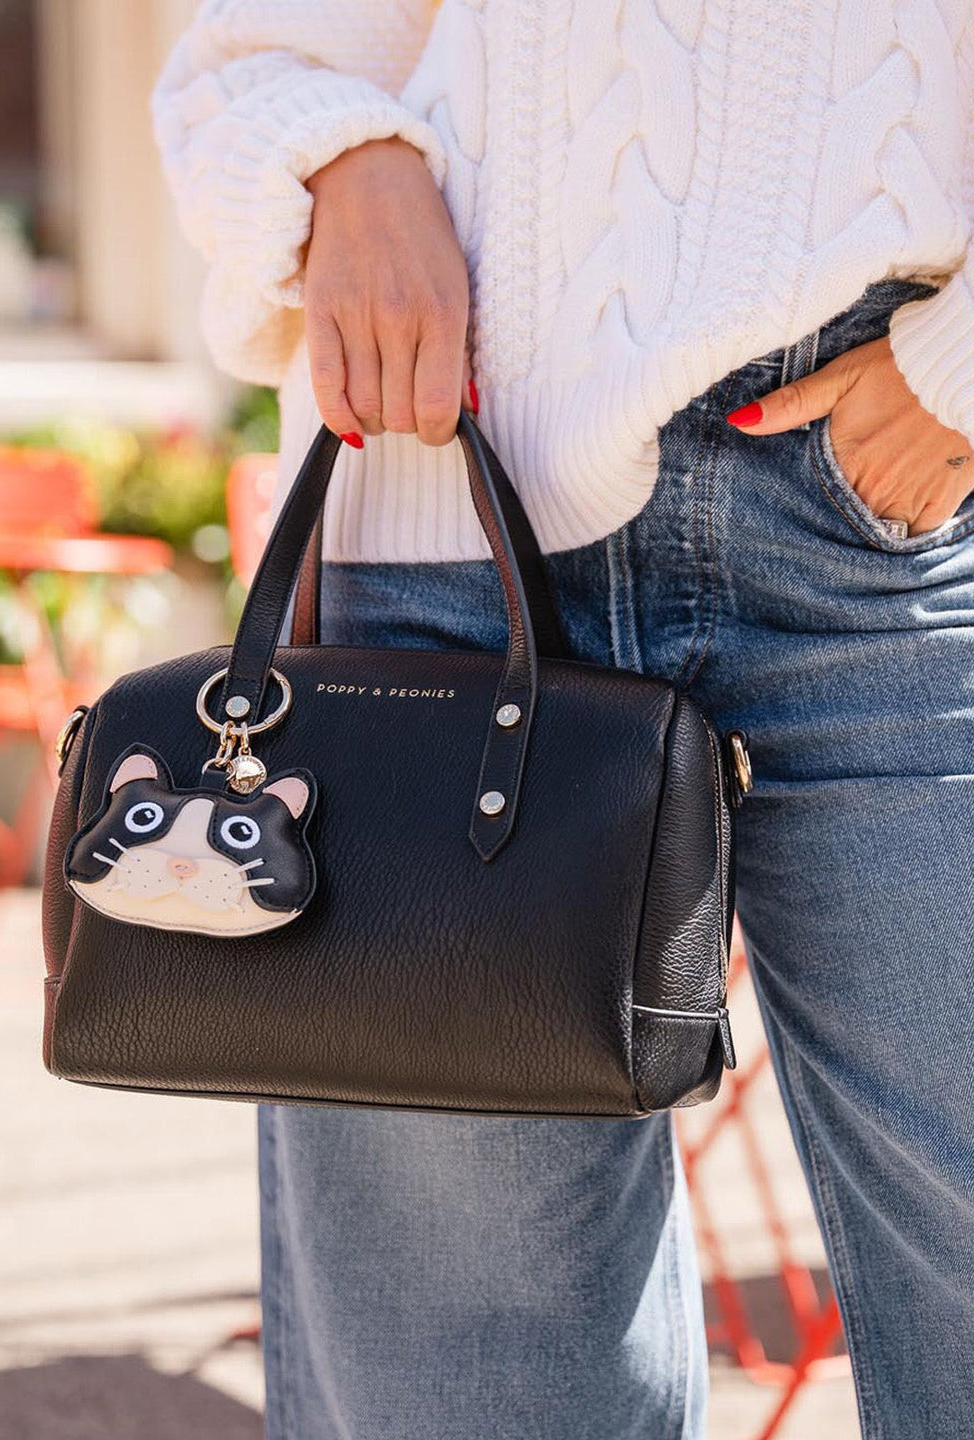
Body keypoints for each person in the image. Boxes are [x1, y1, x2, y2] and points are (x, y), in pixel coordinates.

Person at [152, 4, 974, 1435]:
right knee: (461, 1373)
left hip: (882, 480)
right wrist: (343, 159)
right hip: (439, 500)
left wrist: (962, 380)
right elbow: (246, 60)